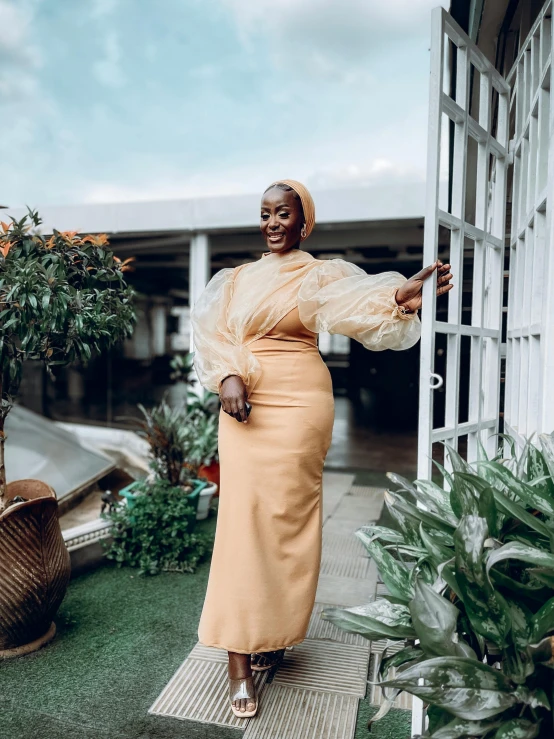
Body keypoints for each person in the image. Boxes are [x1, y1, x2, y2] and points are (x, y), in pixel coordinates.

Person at [191, 179, 453, 718]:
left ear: (303, 221)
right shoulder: (235, 281)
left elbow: (359, 308)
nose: (272, 223)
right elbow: (211, 336)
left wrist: (404, 294)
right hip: (245, 404)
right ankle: (237, 661)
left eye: (282, 214)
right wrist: (227, 378)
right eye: (264, 214)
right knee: (243, 522)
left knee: (289, 519)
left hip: (302, 404)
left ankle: (274, 633)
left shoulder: (319, 274)